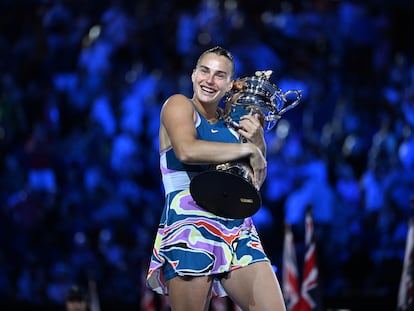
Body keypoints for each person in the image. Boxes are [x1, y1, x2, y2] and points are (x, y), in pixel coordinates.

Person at [146, 46, 286, 311]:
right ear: (193, 75)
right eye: (204, 71)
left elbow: (253, 183)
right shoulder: (178, 104)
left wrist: (258, 141)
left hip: (237, 226)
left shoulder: (234, 123)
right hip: (190, 226)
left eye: (219, 75)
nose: (209, 80)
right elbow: (186, 150)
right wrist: (245, 148)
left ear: (230, 85)